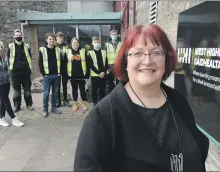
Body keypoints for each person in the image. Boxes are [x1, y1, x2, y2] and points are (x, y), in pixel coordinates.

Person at [74, 25, 209, 172]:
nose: (147, 60)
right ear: (125, 61)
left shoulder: (178, 101)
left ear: (166, 60)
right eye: (137, 53)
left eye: (156, 52)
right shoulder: (103, 116)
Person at [0, 40, 24, 127]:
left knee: (3, 100)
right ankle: (14, 119)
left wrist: (8, 76)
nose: (0, 49)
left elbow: (6, 68)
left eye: (1, 47)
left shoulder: (4, 56)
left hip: (6, 82)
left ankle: (2, 119)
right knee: (6, 100)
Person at [7, 29, 34, 112]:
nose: (18, 37)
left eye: (19, 35)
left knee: (27, 90)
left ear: (22, 36)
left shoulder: (26, 46)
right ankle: (17, 106)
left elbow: (29, 57)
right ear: (14, 36)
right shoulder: (10, 46)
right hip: (15, 73)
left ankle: (29, 105)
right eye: (17, 35)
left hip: (25, 72)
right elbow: (8, 58)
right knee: (16, 91)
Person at [38, 33, 63, 118]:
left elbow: (62, 62)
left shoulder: (58, 50)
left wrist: (60, 73)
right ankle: (45, 109)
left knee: (55, 93)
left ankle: (54, 108)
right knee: (46, 94)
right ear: (46, 40)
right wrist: (44, 74)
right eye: (50, 39)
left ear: (55, 40)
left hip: (56, 75)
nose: (51, 41)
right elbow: (40, 63)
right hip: (47, 76)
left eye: (53, 39)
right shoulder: (42, 50)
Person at [65, 37, 89, 112]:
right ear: (71, 44)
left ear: (79, 44)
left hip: (82, 75)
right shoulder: (67, 52)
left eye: (76, 43)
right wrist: (66, 75)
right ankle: (75, 104)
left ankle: (84, 103)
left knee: (82, 90)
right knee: (74, 90)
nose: (75, 44)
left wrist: (87, 74)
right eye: (74, 43)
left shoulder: (83, 51)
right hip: (72, 75)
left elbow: (87, 63)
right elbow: (64, 64)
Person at [87, 36, 108, 106]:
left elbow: (106, 63)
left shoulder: (104, 52)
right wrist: (99, 73)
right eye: (95, 42)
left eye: (98, 42)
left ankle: (102, 103)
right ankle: (95, 102)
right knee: (94, 90)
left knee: (102, 89)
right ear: (92, 43)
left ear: (100, 43)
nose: (97, 43)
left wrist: (103, 72)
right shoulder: (90, 53)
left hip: (103, 74)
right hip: (95, 75)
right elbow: (90, 65)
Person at [55, 32, 70, 107]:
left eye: (61, 38)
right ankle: (58, 101)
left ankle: (65, 100)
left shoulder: (66, 46)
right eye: (59, 38)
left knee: (64, 85)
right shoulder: (53, 46)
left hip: (65, 69)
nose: (60, 39)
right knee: (57, 86)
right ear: (56, 38)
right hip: (57, 69)